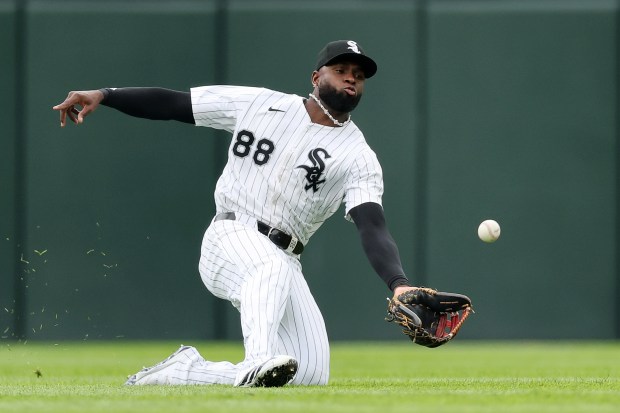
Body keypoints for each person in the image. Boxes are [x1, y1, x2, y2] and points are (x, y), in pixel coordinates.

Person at [53, 40, 417, 387]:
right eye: (341, 69)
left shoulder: (358, 155)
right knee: (267, 274)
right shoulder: (259, 103)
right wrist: (106, 95)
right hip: (230, 236)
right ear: (316, 77)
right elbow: (176, 104)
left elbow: (372, 225)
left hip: (285, 258)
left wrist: (398, 283)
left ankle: (183, 372)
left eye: (359, 74)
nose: (352, 77)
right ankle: (257, 358)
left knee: (309, 373)